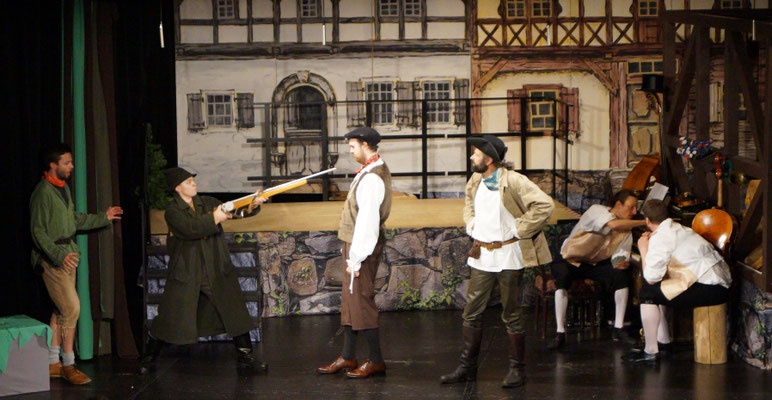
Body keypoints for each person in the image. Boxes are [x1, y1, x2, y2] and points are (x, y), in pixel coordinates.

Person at [440, 135, 554, 388]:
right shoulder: (476, 179)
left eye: (476, 153)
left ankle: (517, 369)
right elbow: (469, 203)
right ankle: (467, 368)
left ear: (489, 159)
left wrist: (520, 228)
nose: (471, 156)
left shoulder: (512, 180)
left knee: (511, 313)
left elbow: (544, 205)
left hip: (508, 254)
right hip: (482, 255)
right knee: (471, 313)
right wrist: (471, 223)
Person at [139, 167, 268, 374]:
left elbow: (234, 211)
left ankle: (246, 358)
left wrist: (253, 204)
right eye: (189, 182)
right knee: (169, 316)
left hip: (213, 266)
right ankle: (149, 358)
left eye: (193, 180)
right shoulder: (173, 212)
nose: (194, 184)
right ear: (177, 188)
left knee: (233, 309)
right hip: (187, 271)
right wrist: (215, 217)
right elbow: (191, 228)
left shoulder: (207, 203)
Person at [30, 143, 123, 385]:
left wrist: (103, 217)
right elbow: (38, 232)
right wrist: (57, 255)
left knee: (61, 310)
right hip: (54, 259)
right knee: (71, 309)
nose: (71, 166)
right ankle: (68, 364)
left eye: (71, 162)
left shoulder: (63, 188)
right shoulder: (42, 193)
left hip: (69, 256)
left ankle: (52, 363)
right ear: (53, 165)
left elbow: (74, 220)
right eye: (67, 163)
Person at [317, 127, 392, 379]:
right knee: (351, 300)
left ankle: (377, 361)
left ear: (365, 145)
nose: (350, 151)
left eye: (352, 147)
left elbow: (367, 222)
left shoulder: (372, 177)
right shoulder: (369, 171)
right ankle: (348, 356)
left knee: (361, 300)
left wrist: (356, 258)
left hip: (362, 247)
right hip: (355, 244)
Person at [623, 199, 731, 363]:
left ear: (647, 220)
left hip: (712, 289)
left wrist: (644, 248)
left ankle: (650, 351)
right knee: (658, 289)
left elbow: (651, 278)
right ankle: (663, 343)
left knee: (647, 292)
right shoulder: (678, 228)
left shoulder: (662, 237)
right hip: (718, 284)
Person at [547, 190, 645, 350]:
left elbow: (620, 254)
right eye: (631, 207)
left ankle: (619, 328)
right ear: (618, 204)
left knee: (621, 276)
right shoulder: (597, 211)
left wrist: (621, 262)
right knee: (562, 276)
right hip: (571, 258)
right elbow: (612, 225)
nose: (634, 212)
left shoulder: (626, 231)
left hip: (594, 264)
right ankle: (560, 332)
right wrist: (644, 222)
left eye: (636, 208)